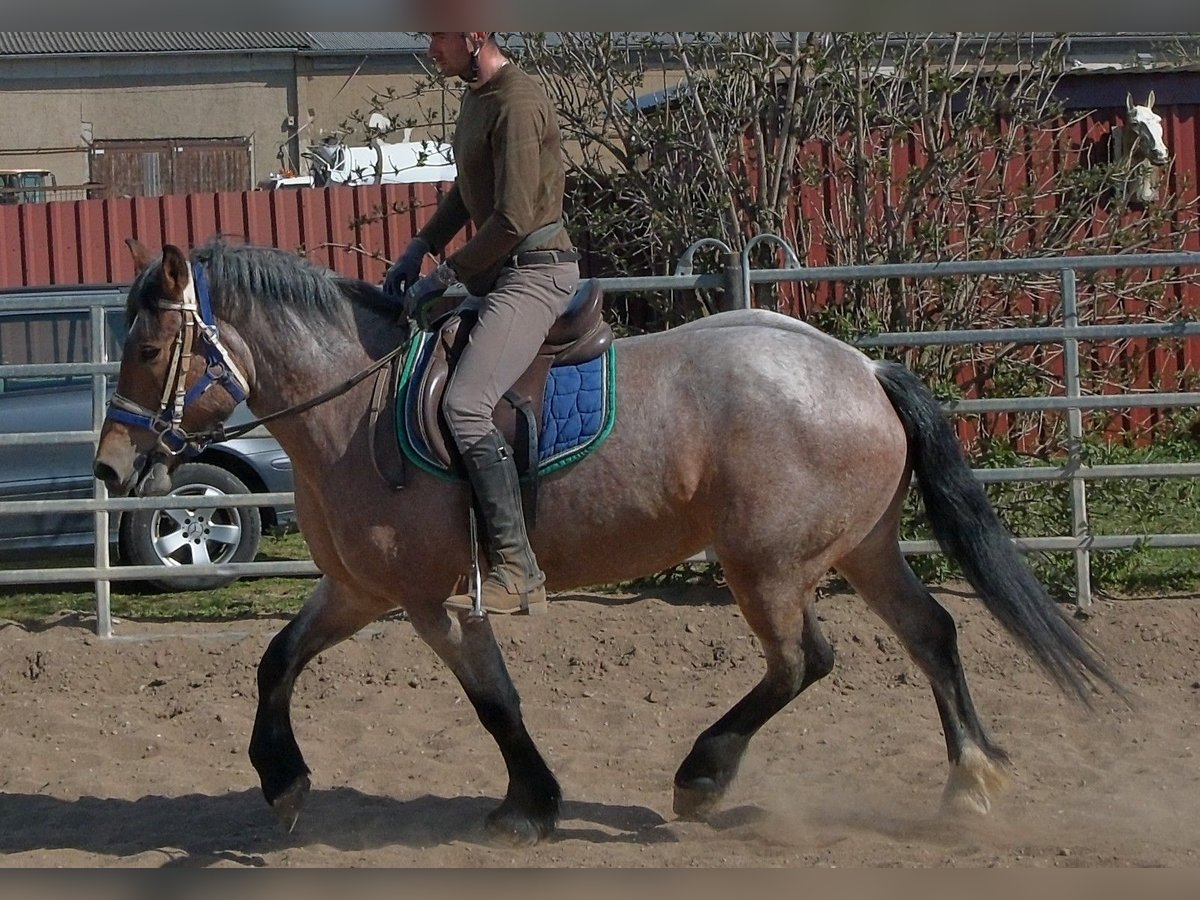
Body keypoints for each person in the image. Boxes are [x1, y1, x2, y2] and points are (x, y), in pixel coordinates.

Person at [384, 31, 580, 616]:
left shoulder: (516, 103)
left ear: (474, 35)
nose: (430, 50)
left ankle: (518, 568)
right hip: (497, 275)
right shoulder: (477, 98)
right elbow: (468, 193)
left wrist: (444, 275)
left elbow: (513, 219)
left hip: (534, 274)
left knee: (466, 404)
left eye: (438, 37)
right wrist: (419, 244)